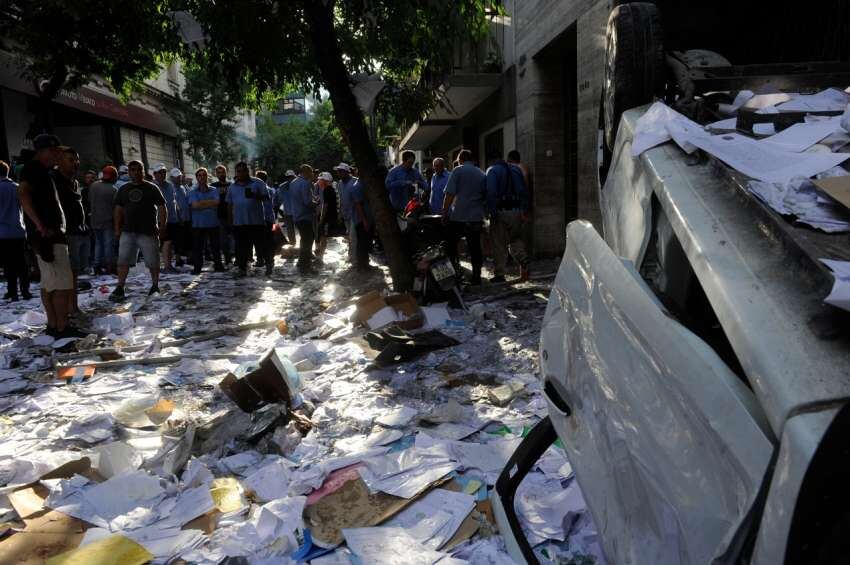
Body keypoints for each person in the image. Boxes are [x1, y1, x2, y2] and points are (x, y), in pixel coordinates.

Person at [17, 134, 84, 337]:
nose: (57, 156)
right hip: (48, 235)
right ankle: (62, 327)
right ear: (43, 151)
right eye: (54, 151)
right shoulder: (34, 170)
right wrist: (39, 225)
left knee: (50, 283)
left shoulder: (44, 172)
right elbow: (23, 194)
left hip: (48, 234)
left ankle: (54, 325)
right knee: (62, 284)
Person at [111, 160, 166, 300]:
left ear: (143, 171)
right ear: (129, 172)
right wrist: (117, 229)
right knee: (123, 260)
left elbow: (162, 207)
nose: (136, 172)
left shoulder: (152, 188)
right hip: (128, 231)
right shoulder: (123, 189)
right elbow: (118, 210)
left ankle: (155, 286)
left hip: (148, 231)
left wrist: (162, 225)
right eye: (133, 170)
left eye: (139, 169)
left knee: (153, 261)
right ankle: (120, 287)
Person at [52, 148, 89, 314]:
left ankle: (72, 306)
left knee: (73, 273)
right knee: (65, 275)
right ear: (59, 161)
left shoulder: (73, 181)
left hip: (77, 231)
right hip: (64, 233)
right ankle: (67, 309)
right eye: (71, 160)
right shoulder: (53, 180)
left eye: (76, 160)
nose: (75, 163)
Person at [441, 149, 487, 285]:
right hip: (475, 217)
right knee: (475, 248)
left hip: (459, 216)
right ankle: (476, 276)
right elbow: (485, 195)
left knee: (451, 246)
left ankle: (455, 273)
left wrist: (444, 212)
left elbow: (449, 194)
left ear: (460, 159)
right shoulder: (481, 173)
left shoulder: (457, 171)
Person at [486, 152, 530, 283]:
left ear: (491, 161)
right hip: (516, 210)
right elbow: (524, 192)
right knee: (515, 239)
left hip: (501, 211)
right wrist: (523, 211)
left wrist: (492, 212)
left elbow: (491, 192)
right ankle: (524, 260)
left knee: (499, 243)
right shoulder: (516, 170)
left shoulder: (492, 170)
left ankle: (500, 274)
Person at [226, 161, 271, 277]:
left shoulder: (258, 183)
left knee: (261, 244)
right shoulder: (232, 187)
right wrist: (230, 222)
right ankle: (242, 268)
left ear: (248, 171)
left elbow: (267, 198)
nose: (241, 173)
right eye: (239, 171)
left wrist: (255, 195)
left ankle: (268, 266)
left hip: (256, 221)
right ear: (236, 172)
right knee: (241, 247)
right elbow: (229, 205)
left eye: (244, 170)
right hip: (240, 223)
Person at [0, 160, 31, 301]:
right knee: (22, 263)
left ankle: (12, 292)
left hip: (3, 232)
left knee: (8, 264)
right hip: (19, 230)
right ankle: (25, 291)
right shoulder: (17, 187)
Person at [188, 168, 224, 274]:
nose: (202, 177)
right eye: (200, 175)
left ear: (207, 177)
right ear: (197, 178)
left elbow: (217, 202)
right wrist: (209, 202)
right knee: (197, 248)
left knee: (216, 247)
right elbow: (195, 205)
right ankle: (197, 268)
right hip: (198, 224)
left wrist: (201, 203)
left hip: (213, 223)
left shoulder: (214, 190)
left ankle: (218, 266)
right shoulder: (192, 191)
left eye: (204, 175)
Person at [289, 165, 318, 275]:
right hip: (305, 216)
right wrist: (316, 203)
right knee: (308, 240)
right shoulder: (305, 183)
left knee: (303, 240)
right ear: (306, 172)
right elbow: (307, 202)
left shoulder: (293, 182)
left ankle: (301, 262)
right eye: (311, 172)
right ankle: (306, 266)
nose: (312, 175)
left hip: (296, 215)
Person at [89, 165, 118, 274]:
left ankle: (97, 266)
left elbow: (90, 200)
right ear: (113, 177)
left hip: (95, 220)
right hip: (107, 221)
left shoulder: (93, 185)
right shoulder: (113, 190)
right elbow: (116, 208)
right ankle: (109, 266)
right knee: (108, 245)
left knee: (98, 243)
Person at [333, 163, 358, 264]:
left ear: (347, 172)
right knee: (350, 236)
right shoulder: (339, 184)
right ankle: (352, 256)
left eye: (341, 171)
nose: (339, 173)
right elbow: (341, 199)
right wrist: (339, 214)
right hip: (345, 213)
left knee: (353, 236)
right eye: (338, 171)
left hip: (355, 213)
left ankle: (354, 258)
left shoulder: (355, 181)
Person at [348, 176, 373, 272]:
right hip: (361, 220)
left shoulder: (362, 185)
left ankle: (365, 264)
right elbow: (358, 205)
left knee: (365, 242)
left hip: (365, 219)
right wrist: (365, 221)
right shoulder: (357, 186)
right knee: (362, 243)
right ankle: (361, 266)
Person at [314, 172, 341, 260]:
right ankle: (320, 255)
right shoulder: (331, 189)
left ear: (325, 181)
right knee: (324, 236)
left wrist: (321, 218)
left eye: (320, 180)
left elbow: (325, 206)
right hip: (332, 216)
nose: (318, 182)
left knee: (323, 236)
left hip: (328, 217)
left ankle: (320, 257)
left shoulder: (327, 190)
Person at [211, 164, 234, 265]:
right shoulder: (213, 186)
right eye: (219, 172)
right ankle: (227, 258)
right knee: (223, 240)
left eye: (222, 172)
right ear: (216, 174)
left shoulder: (231, 185)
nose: (221, 174)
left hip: (233, 215)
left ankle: (236, 257)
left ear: (226, 172)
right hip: (219, 216)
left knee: (234, 238)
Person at [255, 170, 276, 270]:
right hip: (269, 218)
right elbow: (276, 202)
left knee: (260, 240)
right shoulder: (271, 190)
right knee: (269, 240)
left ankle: (262, 259)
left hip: (261, 218)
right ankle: (269, 259)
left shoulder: (258, 191)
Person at [171, 168, 191, 267]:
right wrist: (179, 218)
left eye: (179, 177)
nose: (178, 179)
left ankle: (188, 258)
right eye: (176, 177)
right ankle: (178, 259)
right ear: (172, 178)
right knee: (178, 240)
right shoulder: (172, 189)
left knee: (187, 239)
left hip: (187, 217)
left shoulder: (183, 188)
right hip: (179, 219)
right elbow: (175, 205)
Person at [276, 170, 296, 246]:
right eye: (289, 177)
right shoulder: (283, 186)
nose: (290, 179)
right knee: (291, 229)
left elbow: (280, 199)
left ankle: (293, 244)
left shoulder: (282, 186)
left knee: (291, 229)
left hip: (290, 211)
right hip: (292, 211)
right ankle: (293, 245)